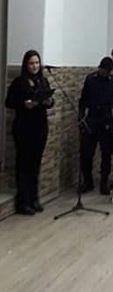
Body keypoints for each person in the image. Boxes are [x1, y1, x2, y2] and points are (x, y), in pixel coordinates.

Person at [5, 50, 54, 215]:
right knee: (24, 165)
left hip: (40, 127)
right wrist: (24, 104)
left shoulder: (43, 81)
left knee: (35, 164)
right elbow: (9, 102)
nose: (34, 66)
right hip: (24, 127)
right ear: (26, 64)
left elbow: (49, 101)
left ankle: (34, 198)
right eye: (31, 63)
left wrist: (49, 101)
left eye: (37, 63)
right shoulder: (19, 82)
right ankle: (23, 202)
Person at [78, 57, 113, 195]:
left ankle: (104, 182)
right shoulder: (90, 79)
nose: (104, 72)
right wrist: (81, 117)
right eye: (102, 70)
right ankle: (87, 182)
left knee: (106, 154)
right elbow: (83, 100)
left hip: (106, 121)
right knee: (86, 154)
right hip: (91, 119)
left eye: (107, 71)